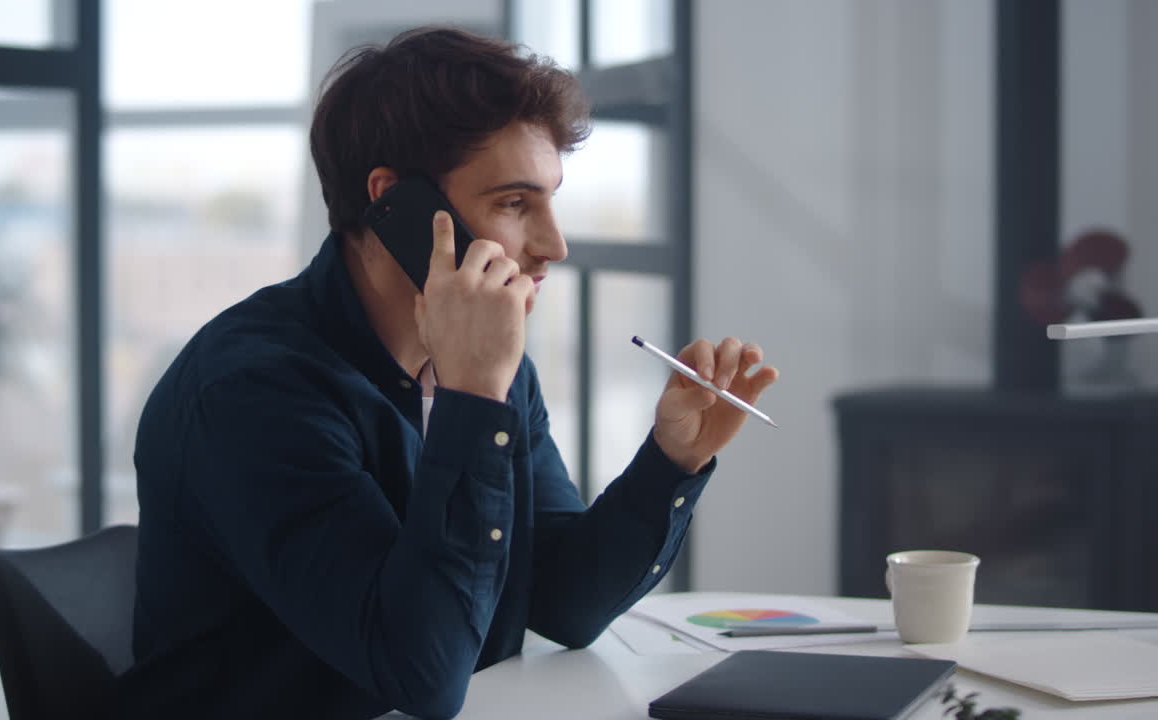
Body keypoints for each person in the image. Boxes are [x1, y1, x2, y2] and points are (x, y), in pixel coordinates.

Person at [119, 26, 778, 720]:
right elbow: (419, 676)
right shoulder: (252, 395)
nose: (554, 245)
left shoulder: (490, 369)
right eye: (515, 204)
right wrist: (472, 398)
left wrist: (672, 458)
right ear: (396, 204)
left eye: (551, 200)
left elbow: (563, 600)